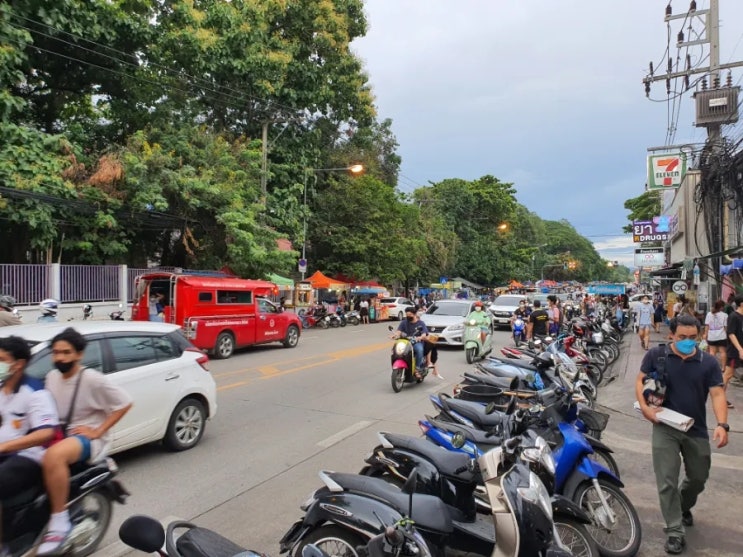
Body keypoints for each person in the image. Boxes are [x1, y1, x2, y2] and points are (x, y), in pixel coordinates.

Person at [635, 314, 728, 555]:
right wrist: (645, 408)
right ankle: (674, 531)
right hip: (664, 426)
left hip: (695, 428)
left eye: (692, 337)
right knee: (666, 480)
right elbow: (640, 380)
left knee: (698, 477)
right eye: (682, 337)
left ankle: (682, 506)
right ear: (672, 335)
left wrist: (722, 424)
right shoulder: (657, 355)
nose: (688, 341)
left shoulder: (708, 362)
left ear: (700, 336)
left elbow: (717, 394)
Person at [38, 328, 133, 555]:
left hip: (85, 438)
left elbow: (124, 403)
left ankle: (59, 521)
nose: (60, 357)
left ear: (79, 354)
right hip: (59, 434)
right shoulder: (52, 377)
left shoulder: (92, 379)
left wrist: (98, 430)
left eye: (66, 352)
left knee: (54, 456)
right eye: (56, 352)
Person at [0, 336, 59, 523]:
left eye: (1, 360)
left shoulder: (35, 392)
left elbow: (46, 432)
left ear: (18, 364)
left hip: (27, 456)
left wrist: (5, 446)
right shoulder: (1, 386)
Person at [390, 306, 428, 378]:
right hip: (405, 342)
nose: (408, 316)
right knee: (396, 350)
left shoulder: (421, 323)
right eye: (407, 315)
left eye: (410, 315)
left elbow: (424, 334)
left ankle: (417, 368)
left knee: (420, 350)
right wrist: (395, 335)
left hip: (416, 342)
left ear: (414, 314)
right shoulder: (404, 322)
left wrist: (420, 337)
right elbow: (399, 331)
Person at [724, 294, 743, 410]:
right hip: (735, 351)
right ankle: (720, 397)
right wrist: (740, 349)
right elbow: (731, 334)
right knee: (728, 374)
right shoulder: (733, 316)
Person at [703, 300, 728, 372]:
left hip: (711, 335)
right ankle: (723, 368)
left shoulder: (709, 314)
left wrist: (705, 334)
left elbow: (707, 325)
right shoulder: (725, 315)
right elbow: (725, 327)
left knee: (712, 352)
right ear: (722, 307)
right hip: (722, 335)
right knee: (723, 352)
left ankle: (712, 367)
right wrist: (727, 335)